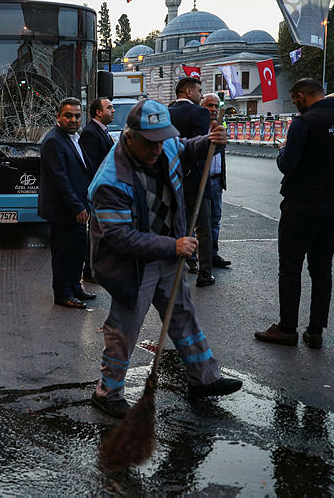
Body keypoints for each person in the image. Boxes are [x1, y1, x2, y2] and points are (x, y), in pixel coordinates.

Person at [88, 99, 242, 418]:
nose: (158, 149)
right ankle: (108, 391)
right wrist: (173, 247)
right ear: (129, 138)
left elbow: (184, 148)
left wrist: (207, 142)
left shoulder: (167, 143)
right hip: (131, 263)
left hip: (169, 249)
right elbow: (118, 237)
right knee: (124, 327)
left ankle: (204, 378)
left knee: (183, 314)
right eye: (150, 143)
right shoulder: (110, 180)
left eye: (162, 140)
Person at [254, 78, 334, 350]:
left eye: (295, 100)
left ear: (301, 96)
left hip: (301, 206)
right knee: (322, 269)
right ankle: (315, 331)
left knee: (290, 267)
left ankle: (288, 328)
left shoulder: (303, 123)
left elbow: (288, 165)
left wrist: (281, 151)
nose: (295, 105)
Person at [38, 97, 95, 309]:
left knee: (77, 249)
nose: (73, 120)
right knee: (63, 253)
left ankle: (75, 287)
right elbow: (59, 179)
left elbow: (83, 170)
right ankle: (63, 293)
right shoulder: (53, 140)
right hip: (64, 210)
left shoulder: (73, 137)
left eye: (77, 116)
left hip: (78, 206)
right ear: (58, 117)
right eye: (68, 115)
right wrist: (76, 207)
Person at [169, 76, 215, 287]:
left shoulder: (165, 113)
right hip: (195, 178)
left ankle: (177, 268)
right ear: (188, 92)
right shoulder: (200, 112)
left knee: (176, 224)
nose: (201, 95)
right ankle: (205, 273)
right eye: (199, 91)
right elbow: (201, 147)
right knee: (203, 228)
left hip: (170, 177)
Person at [79, 97, 115, 283]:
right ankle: (89, 269)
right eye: (109, 108)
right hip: (98, 191)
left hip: (105, 190)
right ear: (98, 112)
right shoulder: (91, 133)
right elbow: (90, 166)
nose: (113, 110)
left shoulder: (102, 131)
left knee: (100, 231)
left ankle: (95, 267)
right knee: (95, 232)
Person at [201, 93, 231, 270]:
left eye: (215, 106)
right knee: (201, 222)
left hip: (216, 181)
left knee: (215, 219)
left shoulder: (220, 125)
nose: (212, 110)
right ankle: (195, 255)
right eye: (209, 106)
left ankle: (212, 254)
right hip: (201, 181)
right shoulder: (198, 126)